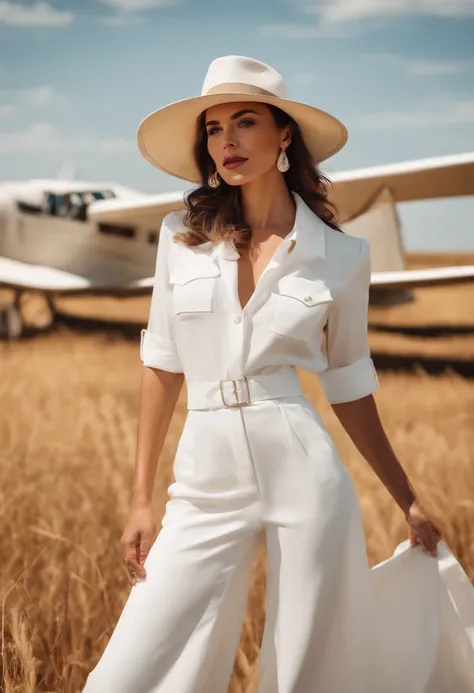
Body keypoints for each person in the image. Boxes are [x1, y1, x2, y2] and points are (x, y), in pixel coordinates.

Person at [82, 55, 474, 693]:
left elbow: (349, 384)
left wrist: (408, 499)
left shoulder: (342, 255)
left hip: (303, 471)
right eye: (213, 129)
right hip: (203, 478)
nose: (227, 141)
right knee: (128, 675)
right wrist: (139, 499)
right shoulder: (181, 236)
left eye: (245, 122)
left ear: (284, 134)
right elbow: (162, 363)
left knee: (306, 676)